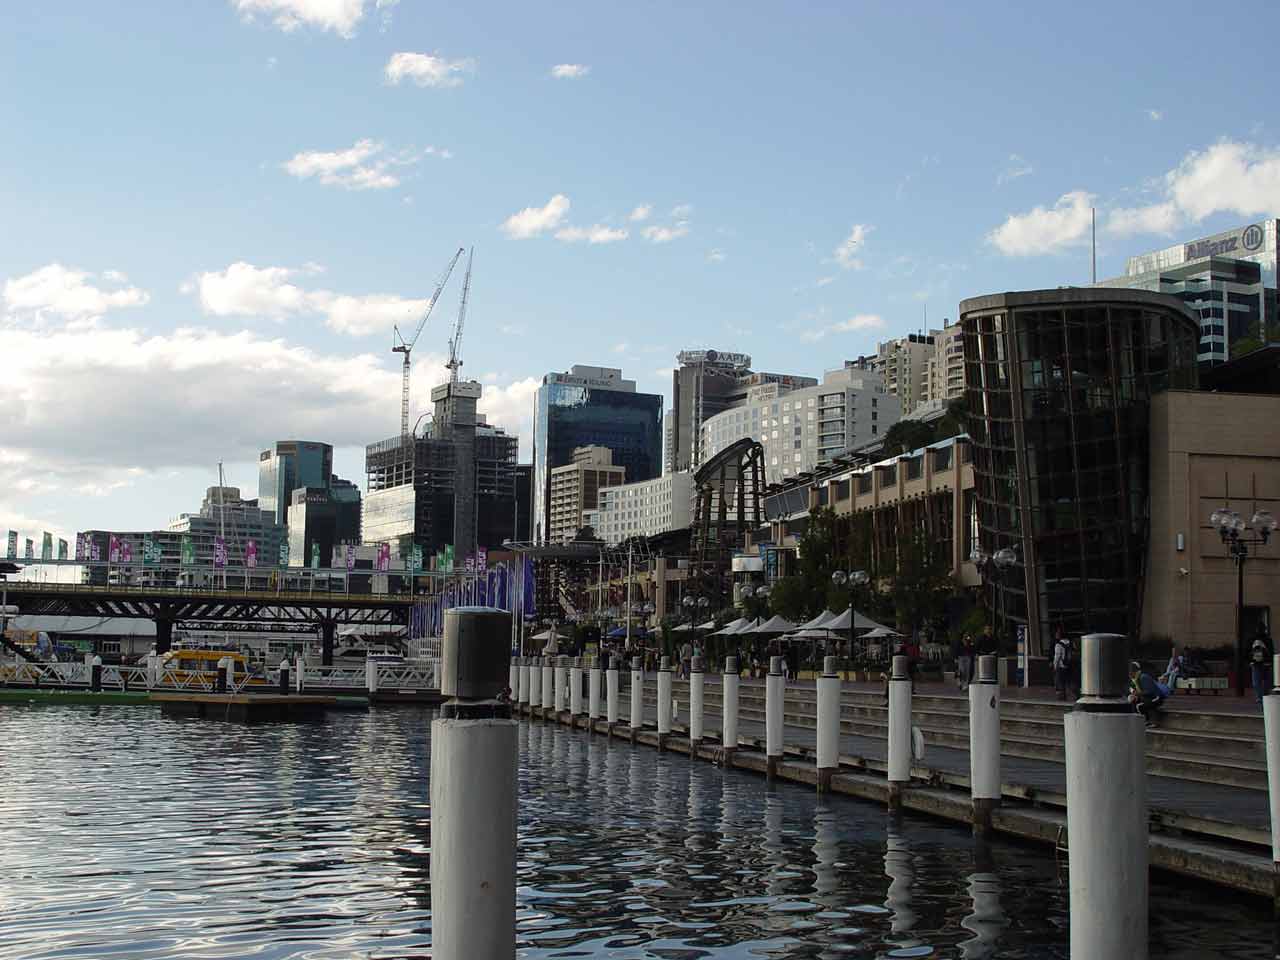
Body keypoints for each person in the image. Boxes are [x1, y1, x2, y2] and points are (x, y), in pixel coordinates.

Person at [1129, 661, 1165, 727]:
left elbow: (1149, 691)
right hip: (1147, 697)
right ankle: (1145, 721)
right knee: (1134, 702)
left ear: (1135, 671)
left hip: (1156, 697)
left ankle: (1153, 721)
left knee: (1140, 706)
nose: (1130, 674)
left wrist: (1138, 694)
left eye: (1131, 672)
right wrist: (1134, 695)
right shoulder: (1135, 680)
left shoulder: (1143, 677)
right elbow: (1134, 690)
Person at [1250, 625, 1273, 705]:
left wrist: (1250, 661)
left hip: (1256, 664)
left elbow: (1247, 651)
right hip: (1266, 663)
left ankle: (1260, 697)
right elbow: (1271, 651)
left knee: (1257, 682)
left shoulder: (1252, 639)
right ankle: (1265, 697)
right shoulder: (1268, 639)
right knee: (1266, 682)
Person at [1052, 629, 1071, 701]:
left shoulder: (1058, 645)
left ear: (1060, 636)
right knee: (1069, 682)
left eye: (1057, 634)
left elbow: (1057, 657)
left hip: (1061, 666)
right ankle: (1077, 695)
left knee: (1060, 682)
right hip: (1069, 665)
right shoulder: (1070, 643)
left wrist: (1054, 666)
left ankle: (1062, 698)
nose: (1056, 635)